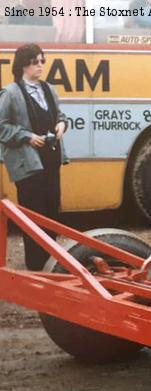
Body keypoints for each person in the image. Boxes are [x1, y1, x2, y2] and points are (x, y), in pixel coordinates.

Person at [0, 43, 69, 270]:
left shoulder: (49, 89)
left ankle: (51, 262)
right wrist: (27, 136)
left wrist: (61, 124)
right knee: (33, 213)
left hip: (51, 158)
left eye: (42, 61)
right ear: (23, 65)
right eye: (35, 61)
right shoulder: (10, 93)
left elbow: (60, 115)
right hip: (27, 163)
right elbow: (2, 127)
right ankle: (35, 265)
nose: (41, 65)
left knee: (51, 211)